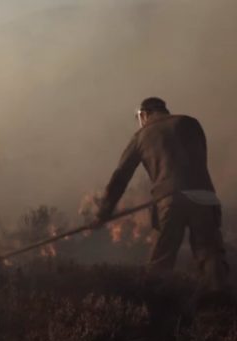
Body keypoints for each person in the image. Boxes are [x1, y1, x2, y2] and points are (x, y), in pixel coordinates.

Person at [95, 97, 228, 289]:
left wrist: (104, 212)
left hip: (170, 199)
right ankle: (220, 305)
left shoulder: (141, 136)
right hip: (205, 196)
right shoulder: (190, 123)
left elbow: (121, 177)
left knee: (161, 260)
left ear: (144, 114)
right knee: (211, 256)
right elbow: (201, 159)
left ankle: (155, 307)